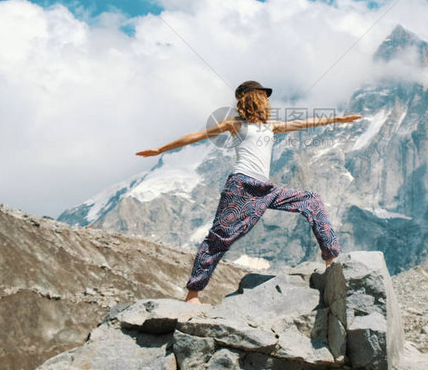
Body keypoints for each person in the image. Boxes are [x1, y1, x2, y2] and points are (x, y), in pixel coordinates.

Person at [136, 80, 362, 304]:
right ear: (251, 98)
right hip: (241, 187)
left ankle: (331, 258)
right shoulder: (234, 124)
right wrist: (160, 149)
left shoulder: (270, 126)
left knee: (311, 200)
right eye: (264, 95)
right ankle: (193, 294)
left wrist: (338, 119)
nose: (267, 100)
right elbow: (196, 136)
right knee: (219, 238)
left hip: (266, 189)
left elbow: (304, 123)